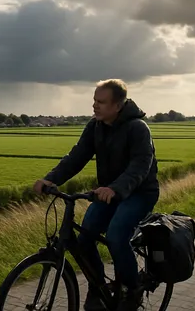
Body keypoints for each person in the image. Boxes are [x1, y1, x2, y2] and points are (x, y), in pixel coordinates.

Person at [33, 79, 159, 311]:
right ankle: (98, 288)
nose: (95, 106)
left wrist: (115, 189)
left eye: (101, 102)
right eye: (94, 100)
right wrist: (51, 179)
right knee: (84, 240)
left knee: (116, 236)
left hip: (139, 193)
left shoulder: (138, 128)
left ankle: (133, 290)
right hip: (108, 192)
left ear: (118, 105)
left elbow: (140, 166)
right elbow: (77, 157)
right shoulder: (95, 126)